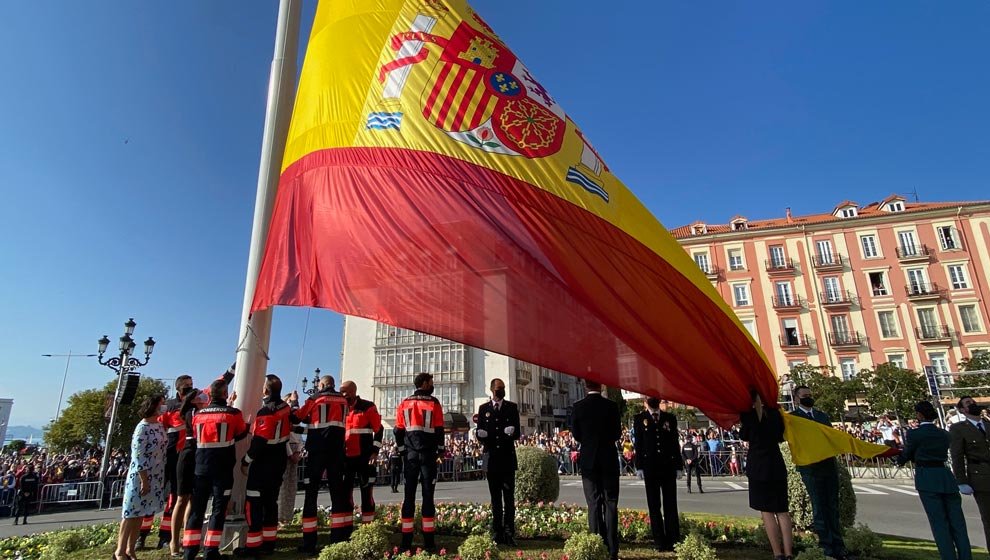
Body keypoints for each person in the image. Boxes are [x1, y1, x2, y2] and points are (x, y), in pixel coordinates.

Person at [182, 377, 248, 560]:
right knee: (219, 509)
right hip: (223, 469)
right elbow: (241, 433)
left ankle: (189, 550)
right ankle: (210, 550)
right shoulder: (233, 414)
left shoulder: (198, 416)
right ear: (226, 394)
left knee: (197, 509)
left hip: (201, 468)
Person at [172, 367, 235, 555]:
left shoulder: (199, 412)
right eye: (187, 389)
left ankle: (190, 543)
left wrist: (234, 366)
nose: (197, 392)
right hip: (190, 456)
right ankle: (176, 542)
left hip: (200, 458)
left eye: (193, 387)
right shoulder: (189, 413)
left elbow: (222, 381)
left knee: (194, 502)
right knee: (182, 499)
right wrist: (227, 407)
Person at [901, 400, 972, 560]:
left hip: (927, 477)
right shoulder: (944, 434)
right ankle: (966, 556)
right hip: (945, 475)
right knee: (958, 524)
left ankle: (948, 556)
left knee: (939, 523)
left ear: (919, 415)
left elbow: (907, 453)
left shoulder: (914, 434)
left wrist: (900, 459)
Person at [290, 374, 349, 554]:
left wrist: (294, 402)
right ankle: (337, 539)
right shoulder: (343, 401)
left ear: (321, 384)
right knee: (337, 495)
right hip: (337, 451)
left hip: (317, 452)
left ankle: (309, 542)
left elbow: (297, 417)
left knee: (311, 495)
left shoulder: (315, 398)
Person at [239, 374, 297, 558]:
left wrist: (246, 460)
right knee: (271, 502)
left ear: (265, 390)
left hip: (264, 462)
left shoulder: (266, 412)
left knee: (254, 502)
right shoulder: (285, 408)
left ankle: (253, 546)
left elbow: (260, 440)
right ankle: (269, 542)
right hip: (279, 459)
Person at [790, 386, 848, 560]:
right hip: (810, 468)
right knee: (819, 506)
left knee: (832, 505)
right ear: (797, 399)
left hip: (828, 465)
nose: (808, 397)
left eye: (810, 395)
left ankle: (839, 545)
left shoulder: (822, 416)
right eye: (804, 396)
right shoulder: (793, 418)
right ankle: (826, 545)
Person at [571, 379, 621, 560]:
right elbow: (617, 433)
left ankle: (596, 543)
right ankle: (612, 548)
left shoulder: (578, 406)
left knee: (593, 503)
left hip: (589, 458)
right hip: (608, 458)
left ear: (586, 386)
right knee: (611, 503)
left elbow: (576, 435)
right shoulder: (611, 406)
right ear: (601, 386)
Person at [394, 372, 445, 552]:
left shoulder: (404, 403)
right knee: (428, 496)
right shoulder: (434, 403)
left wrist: (401, 450)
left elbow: (398, 431)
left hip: (410, 455)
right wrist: (441, 450)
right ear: (424, 383)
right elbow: (439, 429)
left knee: (408, 497)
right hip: (428, 455)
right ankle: (429, 543)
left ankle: (406, 542)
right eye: (431, 382)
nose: (433, 385)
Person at [740, 389, 793, 560]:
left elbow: (744, 435)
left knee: (767, 511)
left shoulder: (749, 416)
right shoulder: (776, 414)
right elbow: (780, 436)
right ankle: (789, 552)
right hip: (776, 464)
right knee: (782, 511)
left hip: (758, 467)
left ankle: (778, 553)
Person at [116, 395, 168, 560]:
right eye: (161, 404)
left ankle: (131, 549)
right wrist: (144, 480)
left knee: (141, 514)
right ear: (153, 407)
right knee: (130, 513)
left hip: (156, 473)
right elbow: (138, 456)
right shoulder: (142, 428)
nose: (164, 406)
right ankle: (120, 550)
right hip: (141, 475)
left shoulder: (159, 426)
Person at [633, 397, 682, 552]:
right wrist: (639, 466)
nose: (652, 401)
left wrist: (678, 466)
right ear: (646, 401)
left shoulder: (669, 418)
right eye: (649, 398)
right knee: (654, 506)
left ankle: (673, 539)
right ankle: (659, 541)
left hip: (667, 466)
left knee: (670, 505)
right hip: (650, 468)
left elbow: (674, 442)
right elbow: (639, 444)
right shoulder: (640, 419)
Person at [475, 378, 521, 545]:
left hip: (507, 458)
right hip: (492, 459)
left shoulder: (511, 407)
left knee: (509, 499)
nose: (500, 391)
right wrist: (480, 434)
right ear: (491, 390)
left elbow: (518, 434)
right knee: (495, 499)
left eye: (502, 388)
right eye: (498, 389)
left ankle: (509, 532)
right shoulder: (483, 409)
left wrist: (513, 431)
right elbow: (479, 431)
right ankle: (497, 532)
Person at [341, 379, 384, 534]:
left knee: (367, 493)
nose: (342, 394)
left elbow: (379, 429)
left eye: (344, 391)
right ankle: (346, 529)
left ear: (353, 391)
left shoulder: (367, 406)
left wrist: (375, 451)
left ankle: (367, 528)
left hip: (365, 457)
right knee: (346, 494)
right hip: (346, 457)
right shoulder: (340, 408)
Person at [949, 395, 990, 549]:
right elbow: (957, 456)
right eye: (968, 403)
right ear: (962, 410)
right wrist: (961, 480)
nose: (972, 404)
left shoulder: (988, 424)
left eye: (973, 401)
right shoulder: (959, 429)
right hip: (981, 478)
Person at [278, 431, 304, 526]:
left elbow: (300, 437)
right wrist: (290, 454)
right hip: (285, 449)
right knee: (283, 486)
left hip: (295, 449)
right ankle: (280, 516)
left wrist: (298, 451)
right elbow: (284, 437)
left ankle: (288, 517)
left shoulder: (297, 422)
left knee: (292, 486)